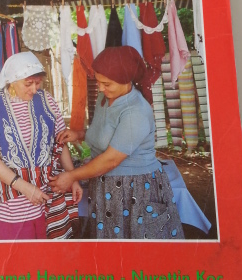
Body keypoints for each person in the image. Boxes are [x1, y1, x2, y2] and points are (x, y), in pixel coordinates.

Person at [49, 46, 184, 240]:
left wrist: (71, 176)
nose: (100, 88)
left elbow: (111, 160)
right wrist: (78, 134)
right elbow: (106, 133)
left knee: (137, 243)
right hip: (107, 185)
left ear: (126, 80)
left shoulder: (135, 111)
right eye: (98, 82)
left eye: (107, 84)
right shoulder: (106, 97)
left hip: (135, 189)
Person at [0, 51, 82, 240]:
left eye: (38, 83)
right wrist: (26, 188)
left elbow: (61, 142)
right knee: (18, 256)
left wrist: (73, 178)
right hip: (14, 206)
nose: (34, 89)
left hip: (50, 199)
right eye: (28, 84)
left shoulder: (47, 100)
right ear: (12, 81)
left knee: (50, 255)